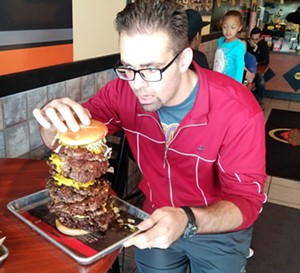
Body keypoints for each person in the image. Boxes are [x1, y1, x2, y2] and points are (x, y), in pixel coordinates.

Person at [33, 1, 267, 272]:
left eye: (150, 70)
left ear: (183, 60)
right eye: (127, 67)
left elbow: (248, 200)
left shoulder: (237, 109)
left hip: (218, 230)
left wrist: (187, 219)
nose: (137, 84)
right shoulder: (122, 91)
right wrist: (51, 124)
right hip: (154, 217)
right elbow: (67, 138)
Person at [213, 10, 245, 83]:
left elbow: (239, 67)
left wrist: (237, 86)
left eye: (232, 27)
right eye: (225, 27)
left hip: (229, 84)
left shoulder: (238, 46)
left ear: (239, 28)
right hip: (217, 80)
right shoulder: (220, 41)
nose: (228, 31)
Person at [247, 26, 270, 107]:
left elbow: (266, 60)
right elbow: (246, 58)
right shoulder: (246, 44)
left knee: (261, 83)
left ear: (260, 38)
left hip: (257, 70)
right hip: (247, 70)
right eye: (252, 39)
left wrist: (256, 49)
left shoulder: (263, 45)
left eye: (256, 39)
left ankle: (257, 100)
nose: (254, 41)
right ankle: (254, 100)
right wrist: (253, 49)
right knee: (245, 85)